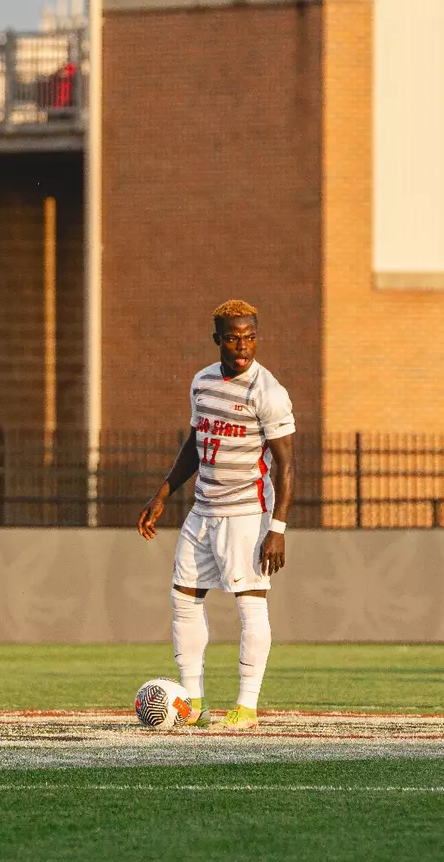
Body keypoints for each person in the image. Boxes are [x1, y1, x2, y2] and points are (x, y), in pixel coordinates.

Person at [138, 299, 295, 732]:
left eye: (249, 336)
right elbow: (195, 444)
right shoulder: (202, 383)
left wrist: (276, 529)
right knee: (183, 599)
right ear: (217, 340)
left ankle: (246, 707)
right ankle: (194, 703)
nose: (242, 345)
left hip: (247, 514)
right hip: (203, 510)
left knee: (250, 608)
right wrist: (163, 493)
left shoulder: (268, 392)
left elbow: (287, 465)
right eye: (232, 337)